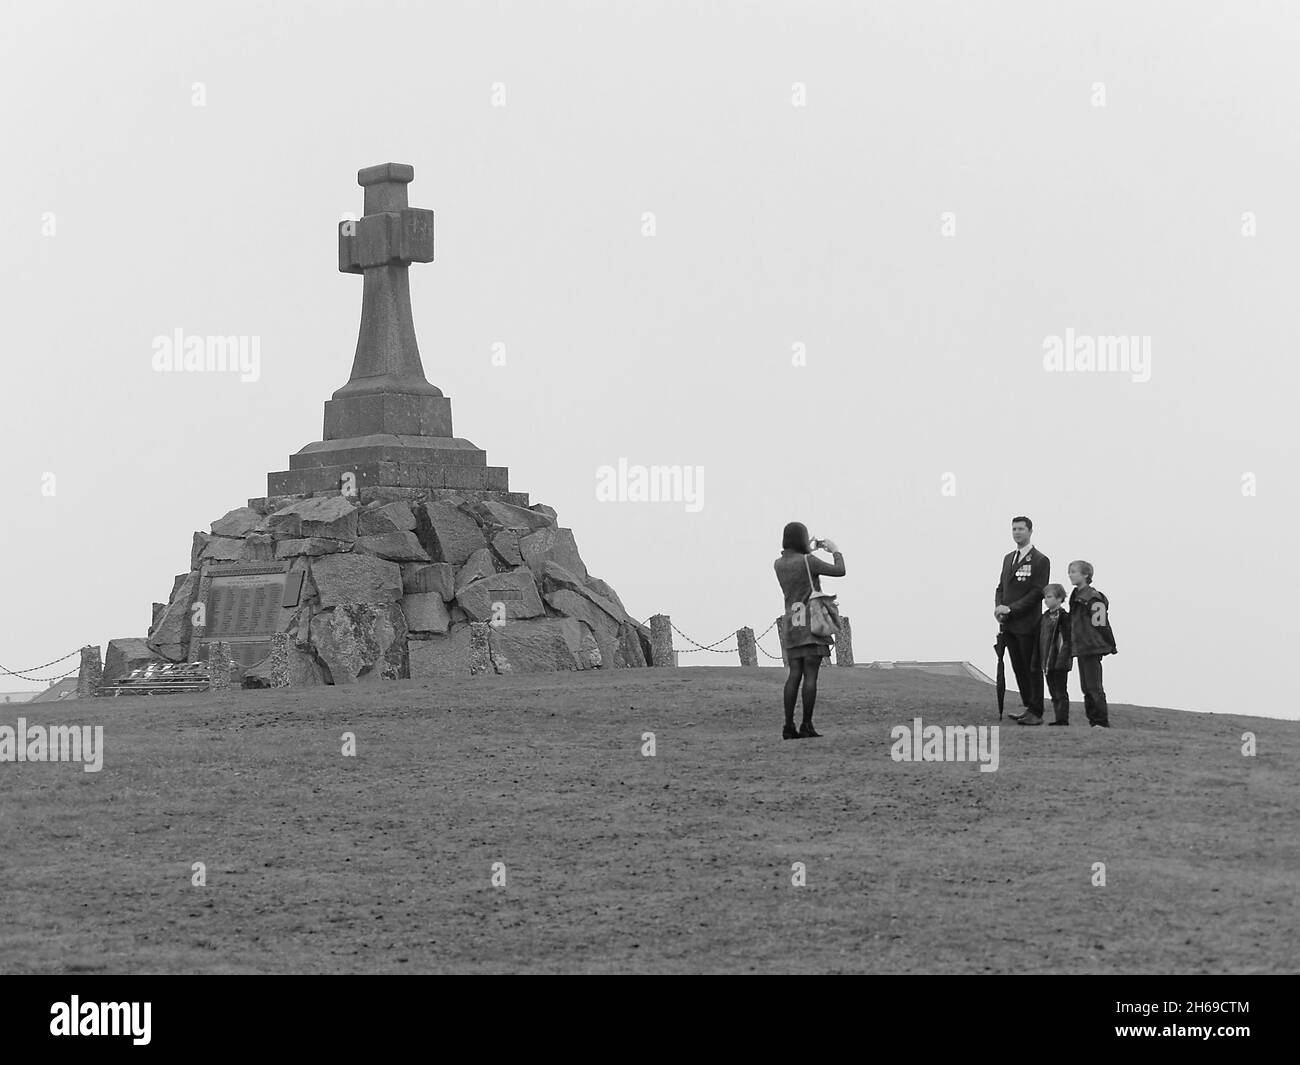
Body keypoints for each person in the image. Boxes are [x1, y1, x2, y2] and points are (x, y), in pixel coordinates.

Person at [774, 522, 845, 740]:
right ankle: (806, 725)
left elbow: (798, 563)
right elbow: (840, 571)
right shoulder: (808, 561)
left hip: (792, 626)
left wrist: (808, 550)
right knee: (811, 676)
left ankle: (788, 726)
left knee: (794, 675)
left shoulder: (778, 563)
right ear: (802, 538)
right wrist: (835, 550)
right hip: (812, 625)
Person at [994, 516, 1050, 724]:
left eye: (1021, 529)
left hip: (1027, 624)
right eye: (1014, 529)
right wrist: (999, 607)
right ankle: (1028, 707)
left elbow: (1037, 592)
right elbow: (1001, 587)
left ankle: (1036, 711)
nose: (1017, 532)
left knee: (1031, 668)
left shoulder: (1040, 560)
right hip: (1008, 624)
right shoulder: (1009, 558)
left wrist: (1011, 609)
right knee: (1017, 666)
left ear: (1030, 531)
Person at [1067, 560, 1117, 728]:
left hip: (1092, 647)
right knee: (1086, 687)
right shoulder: (1075, 597)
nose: (1070, 574)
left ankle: (1101, 722)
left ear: (1086, 575)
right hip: (1080, 647)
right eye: (1070, 571)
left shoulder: (1093, 597)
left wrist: (1110, 643)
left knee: (1094, 687)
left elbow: (1101, 622)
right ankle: (1093, 721)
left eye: (1074, 571)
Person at [1032, 583, 1073, 726]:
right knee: (1053, 692)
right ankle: (1058, 718)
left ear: (1059, 598)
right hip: (1046, 662)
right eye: (1045, 597)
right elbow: (1039, 639)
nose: (1046, 600)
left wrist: (1063, 660)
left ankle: (1062, 719)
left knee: (1061, 691)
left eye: (1049, 597)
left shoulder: (1064, 617)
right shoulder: (1044, 617)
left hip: (1059, 661)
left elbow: (1068, 640)